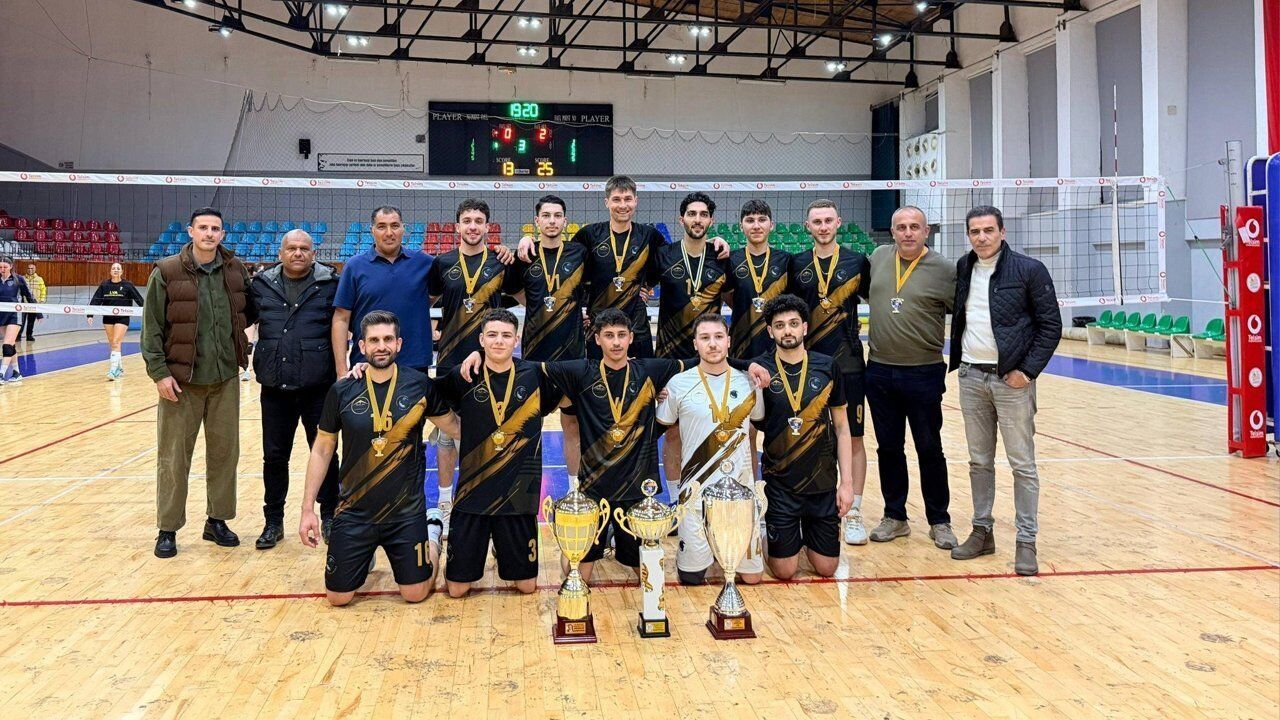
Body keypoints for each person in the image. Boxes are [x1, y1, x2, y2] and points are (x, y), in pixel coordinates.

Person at [298, 311, 455, 606]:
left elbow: (455, 427)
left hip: (406, 513)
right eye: (373, 340)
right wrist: (308, 509)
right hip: (355, 512)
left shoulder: (419, 385)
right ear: (361, 345)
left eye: (387, 339)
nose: (381, 346)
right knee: (338, 598)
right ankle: (364, 553)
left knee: (415, 594)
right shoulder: (342, 390)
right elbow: (322, 450)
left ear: (398, 344)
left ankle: (432, 535)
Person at [535, 309, 692, 583]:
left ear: (631, 337)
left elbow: (705, 361)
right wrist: (479, 355)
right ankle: (588, 544)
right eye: (609, 335)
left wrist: (749, 365)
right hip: (594, 489)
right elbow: (528, 367)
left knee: (650, 580)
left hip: (637, 491)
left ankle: (618, 541)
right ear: (597, 339)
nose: (616, 342)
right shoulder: (582, 372)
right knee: (575, 575)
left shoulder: (650, 370)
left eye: (621, 335)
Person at [948, 206, 1061, 576]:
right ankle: (982, 531)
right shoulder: (964, 267)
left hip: (1011, 381)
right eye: (975, 231)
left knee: (1022, 464)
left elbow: (1050, 326)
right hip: (971, 377)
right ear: (968, 235)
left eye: (988, 230)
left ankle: (1026, 541)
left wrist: (1026, 372)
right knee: (979, 461)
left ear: (1002, 231)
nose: (981, 237)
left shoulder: (1029, 270)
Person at [142, 207, 256, 558]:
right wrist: (159, 373)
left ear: (222, 234)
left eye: (215, 228)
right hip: (181, 382)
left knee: (225, 454)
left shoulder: (235, 269)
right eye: (203, 227)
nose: (209, 233)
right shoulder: (166, 271)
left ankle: (216, 520)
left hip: (224, 378)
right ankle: (168, 528)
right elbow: (151, 327)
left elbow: (250, 311)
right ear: (190, 231)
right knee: (174, 458)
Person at [433, 309, 564, 598]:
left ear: (516, 340)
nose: (499, 341)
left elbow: (571, 390)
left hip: (519, 497)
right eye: (492, 335)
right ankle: (433, 532)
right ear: (481, 339)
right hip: (473, 494)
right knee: (456, 590)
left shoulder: (535, 374)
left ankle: (501, 546)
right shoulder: (465, 374)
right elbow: (428, 397)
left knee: (526, 587)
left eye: (506, 335)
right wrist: (455, 429)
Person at [864, 205, 957, 549]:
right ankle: (895, 516)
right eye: (901, 227)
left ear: (926, 231)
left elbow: (963, 312)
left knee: (929, 448)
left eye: (914, 227)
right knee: (889, 448)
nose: (907, 233)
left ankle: (940, 520)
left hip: (924, 372)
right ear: (892, 232)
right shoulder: (878, 258)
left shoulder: (944, 269)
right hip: (879, 370)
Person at [426, 199, 521, 532]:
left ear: (487, 226)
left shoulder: (500, 261)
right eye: (466, 220)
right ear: (457, 226)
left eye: (479, 221)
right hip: (450, 359)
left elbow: (527, 298)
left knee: (492, 430)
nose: (472, 226)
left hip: (492, 359)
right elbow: (424, 301)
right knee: (446, 433)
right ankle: (445, 502)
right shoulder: (442, 263)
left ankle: (486, 497)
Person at [751, 295, 859, 580]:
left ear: (805, 328)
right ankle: (772, 536)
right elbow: (750, 434)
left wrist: (847, 484)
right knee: (784, 571)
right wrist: (752, 486)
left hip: (822, 484)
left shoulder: (828, 366)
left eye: (793, 324)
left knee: (826, 568)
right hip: (780, 485)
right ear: (770, 331)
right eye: (779, 325)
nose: (787, 330)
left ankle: (802, 537)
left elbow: (842, 428)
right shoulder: (760, 370)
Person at [655, 313, 765, 587]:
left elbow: (756, 426)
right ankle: (708, 547)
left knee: (752, 578)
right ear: (695, 344)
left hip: (739, 496)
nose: (712, 344)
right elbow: (664, 427)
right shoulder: (678, 383)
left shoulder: (749, 382)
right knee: (691, 578)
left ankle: (741, 540)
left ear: (729, 341)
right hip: (696, 496)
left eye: (718, 337)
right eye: (705, 338)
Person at [248, 230, 341, 550]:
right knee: (274, 457)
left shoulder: (330, 283)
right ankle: (273, 521)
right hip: (275, 387)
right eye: (292, 248)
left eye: (304, 248)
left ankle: (330, 515)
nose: (298, 253)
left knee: (326, 453)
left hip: (319, 387)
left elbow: (343, 323)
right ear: (281, 253)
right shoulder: (261, 285)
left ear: (313, 253)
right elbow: (241, 319)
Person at [788, 199, 871, 544]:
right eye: (817, 222)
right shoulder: (796, 263)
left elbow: (877, 299)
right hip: (808, 366)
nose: (823, 227)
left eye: (828, 220)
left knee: (853, 436)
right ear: (807, 227)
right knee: (809, 437)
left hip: (848, 364)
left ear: (838, 222)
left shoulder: (857, 261)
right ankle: (808, 508)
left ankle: (854, 512)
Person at [654, 192, 730, 495]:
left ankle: (710, 494)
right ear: (681, 219)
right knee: (672, 433)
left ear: (711, 220)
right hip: (671, 358)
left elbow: (737, 298)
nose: (697, 219)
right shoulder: (664, 255)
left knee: (712, 429)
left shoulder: (722, 257)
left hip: (710, 359)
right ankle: (677, 499)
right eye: (692, 214)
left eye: (703, 214)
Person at [510, 194, 589, 488]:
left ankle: (574, 491)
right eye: (546, 216)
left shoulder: (580, 253)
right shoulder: (525, 255)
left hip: (572, 357)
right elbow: (515, 291)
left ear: (565, 221)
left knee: (573, 425)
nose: (552, 221)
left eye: (557, 216)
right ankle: (527, 490)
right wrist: (540, 307)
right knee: (530, 428)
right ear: (537, 221)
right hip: (535, 358)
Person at [725, 200, 790, 359]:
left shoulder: (786, 260)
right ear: (741, 226)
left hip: (777, 347)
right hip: (740, 346)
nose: (756, 226)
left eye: (762, 220)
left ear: (771, 225)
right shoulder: (730, 260)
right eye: (749, 220)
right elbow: (726, 295)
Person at [86, 262, 144, 380]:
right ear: (110, 271)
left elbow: (140, 300)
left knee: (116, 341)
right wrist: (90, 314)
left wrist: (147, 312)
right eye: (113, 268)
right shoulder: (105, 285)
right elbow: (96, 300)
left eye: (118, 268)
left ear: (121, 271)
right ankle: (119, 368)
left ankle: (112, 371)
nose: (116, 270)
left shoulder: (127, 285)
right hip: (108, 317)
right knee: (113, 343)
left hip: (122, 317)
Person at [0, 257, 33, 384]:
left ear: (11, 267)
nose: (2, 269)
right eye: (0, 267)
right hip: (2, 314)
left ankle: (1, 373)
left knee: (7, 344)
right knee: (11, 344)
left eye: (5, 267)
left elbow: (29, 296)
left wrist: (39, 313)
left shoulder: (18, 279)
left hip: (15, 314)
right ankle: (16, 372)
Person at [22, 263, 45, 341]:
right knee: (21, 322)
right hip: (24, 304)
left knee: (31, 321)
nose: (30, 270)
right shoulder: (22, 279)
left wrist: (42, 300)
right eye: (28, 268)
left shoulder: (39, 279)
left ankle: (29, 336)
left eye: (32, 268)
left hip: (34, 304)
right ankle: (18, 336)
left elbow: (43, 290)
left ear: (35, 269)